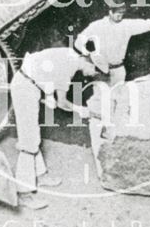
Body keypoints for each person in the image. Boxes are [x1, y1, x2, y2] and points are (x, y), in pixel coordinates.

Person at [11, 45, 109, 209]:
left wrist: (48, 93)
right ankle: (23, 192)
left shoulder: (69, 55)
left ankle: (40, 176)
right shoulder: (68, 68)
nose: (93, 75)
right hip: (25, 87)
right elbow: (63, 103)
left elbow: (46, 66)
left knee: (34, 135)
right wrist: (81, 110)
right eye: (95, 71)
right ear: (88, 62)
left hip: (31, 83)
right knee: (29, 141)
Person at [74, 2, 150, 85]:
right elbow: (78, 42)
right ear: (110, 12)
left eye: (122, 14)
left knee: (118, 99)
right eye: (118, 14)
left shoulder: (126, 25)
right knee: (101, 101)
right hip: (100, 71)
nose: (120, 17)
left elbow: (148, 23)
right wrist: (90, 56)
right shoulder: (96, 26)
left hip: (119, 70)